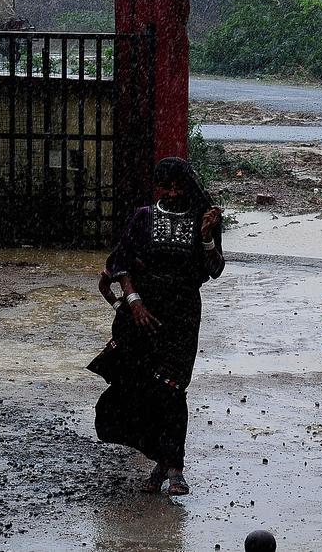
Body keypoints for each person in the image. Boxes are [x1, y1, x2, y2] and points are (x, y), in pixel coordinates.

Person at [87, 157, 224, 496]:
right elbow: (119, 263)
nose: (174, 192)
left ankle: (175, 467)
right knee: (142, 389)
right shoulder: (143, 217)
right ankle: (162, 461)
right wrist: (132, 303)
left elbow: (215, 268)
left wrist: (207, 237)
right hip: (143, 314)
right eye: (168, 186)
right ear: (159, 187)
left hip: (182, 316)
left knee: (172, 388)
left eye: (180, 186)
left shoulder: (203, 219)